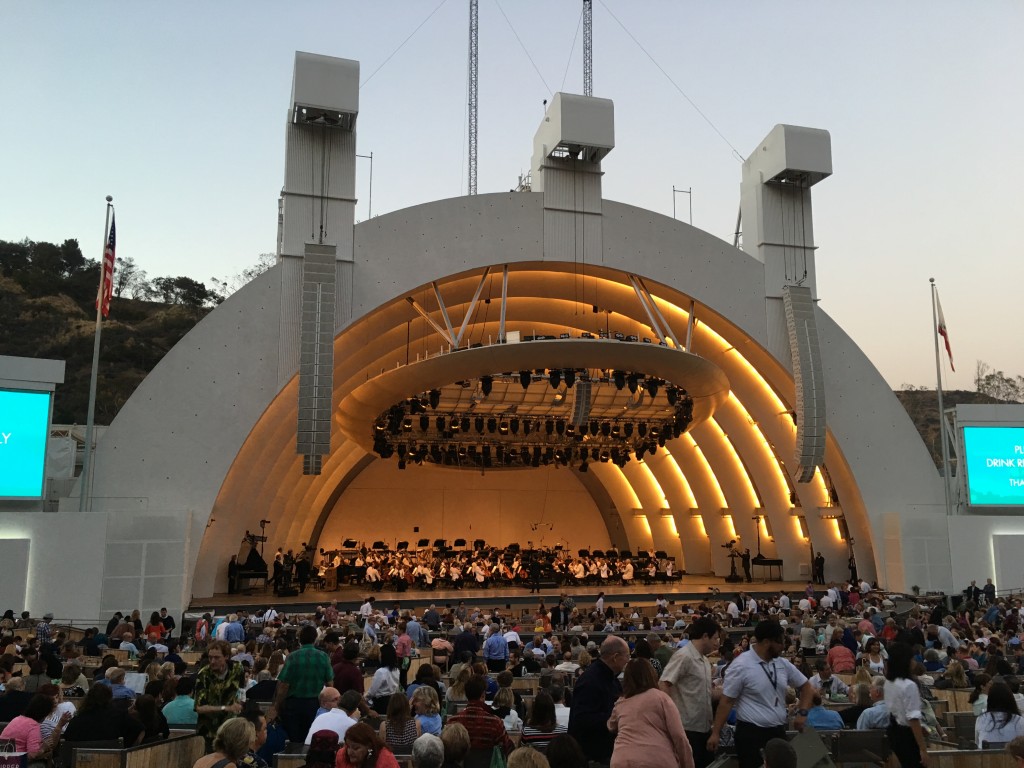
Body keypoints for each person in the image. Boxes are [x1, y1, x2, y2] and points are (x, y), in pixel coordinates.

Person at [708, 619, 814, 768]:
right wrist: (716, 732)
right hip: (751, 734)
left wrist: (802, 713)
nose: (783, 647)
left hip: (778, 731)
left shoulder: (781, 663)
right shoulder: (741, 665)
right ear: (766, 642)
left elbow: (807, 687)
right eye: (780, 642)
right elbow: (727, 701)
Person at [609, 658, 693, 768]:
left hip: (622, 759)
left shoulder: (621, 702)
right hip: (656, 759)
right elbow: (679, 736)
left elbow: (611, 726)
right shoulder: (661, 698)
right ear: (651, 674)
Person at [660, 616, 720, 768]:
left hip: (704, 727)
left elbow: (705, 692)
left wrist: (727, 693)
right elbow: (664, 683)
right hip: (687, 729)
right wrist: (671, 717)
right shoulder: (684, 656)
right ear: (705, 636)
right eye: (715, 638)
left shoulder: (705, 661)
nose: (717, 642)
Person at [268, 624, 335, 743]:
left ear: (300, 639)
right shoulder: (324, 657)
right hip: (315, 705)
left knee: (293, 741)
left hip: (293, 706)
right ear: (315, 639)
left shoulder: (292, 657)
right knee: (311, 740)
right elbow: (330, 684)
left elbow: (283, 685)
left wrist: (277, 706)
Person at [568, 635, 628, 764]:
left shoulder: (609, 677)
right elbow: (582, 718)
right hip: (593, 755)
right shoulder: (591, 680)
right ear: (616, 657)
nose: (628, 660)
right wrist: (616, 717)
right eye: (627, 656)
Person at [884, 642, 930, 768]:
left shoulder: (889, 683)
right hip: (907, 734)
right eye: (912, 659)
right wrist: (923, 749)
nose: (914, 662)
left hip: (893, 731)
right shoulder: (909, 685)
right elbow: (913, 718)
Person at [194, 640, 246, 748]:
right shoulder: (203, 674)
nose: (212, 661)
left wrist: (240, 703)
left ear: (226, 656)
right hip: (209, 731)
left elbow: (241, 690)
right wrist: (225, 708)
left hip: (231, 729)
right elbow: (199, 708)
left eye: (217, 658)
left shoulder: (237, 669)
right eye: (210, 657)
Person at [447, 675, 513, 755]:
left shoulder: (453, 721)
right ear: (483, 695)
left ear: (466, 694)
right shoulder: (496, 722)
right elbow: (506, 748)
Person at [0, 692, 71, 764]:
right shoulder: (33, 726)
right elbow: (32, 755)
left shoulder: (17, 719)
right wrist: (43, 748)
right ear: (44, 713)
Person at [63, 683, 145, 746]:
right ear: (109, 698)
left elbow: (67, 741)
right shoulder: (119, 716)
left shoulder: (76, 721)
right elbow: (140, 729)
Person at [976, 681, 1024, 748]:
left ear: (989, 699)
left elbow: (977, 742)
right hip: (1013, 757)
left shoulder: (981, 719)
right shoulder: (1019, 720)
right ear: (1011, 699)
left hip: (987, 756)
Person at [335, 721, 401, 768]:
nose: (349, 752)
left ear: (369, 746)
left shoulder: (386, 759)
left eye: (356, 748)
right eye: (348, 746)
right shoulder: (342, 755)